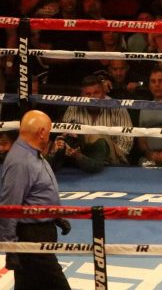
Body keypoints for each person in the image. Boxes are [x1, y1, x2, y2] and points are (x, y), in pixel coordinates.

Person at [0, 110, 71, 289]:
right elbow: (9, 206)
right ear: (41, 132)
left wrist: (55, 216)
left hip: (40, 231)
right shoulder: (20, 161)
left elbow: (37, 194)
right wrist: (11, 247)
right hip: (32, 237)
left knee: (28, 285)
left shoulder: (32, 153)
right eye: (48, 131)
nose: (49, 135)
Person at [62, 75, 133, 163]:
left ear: (103, 93)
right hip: (79, 159)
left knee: (100, 137)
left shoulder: (117, 107)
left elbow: (126, 141)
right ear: (81, 95)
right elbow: (64, 134)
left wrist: (107, 155)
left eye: (96, 93)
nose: (92, 98)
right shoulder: (74, 107)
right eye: (88, 94)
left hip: (111, 161)